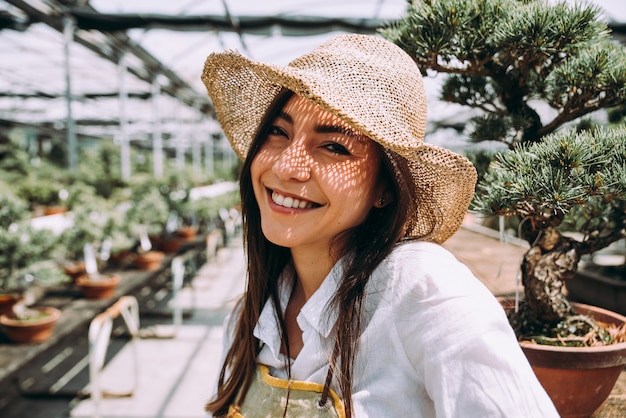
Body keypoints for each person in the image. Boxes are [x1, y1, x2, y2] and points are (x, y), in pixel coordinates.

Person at [201, 34, 559, 417]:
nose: (287, 167)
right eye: (278, 132)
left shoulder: (419, 291)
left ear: (384, 189)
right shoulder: (250, 317)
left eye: (334, 146)